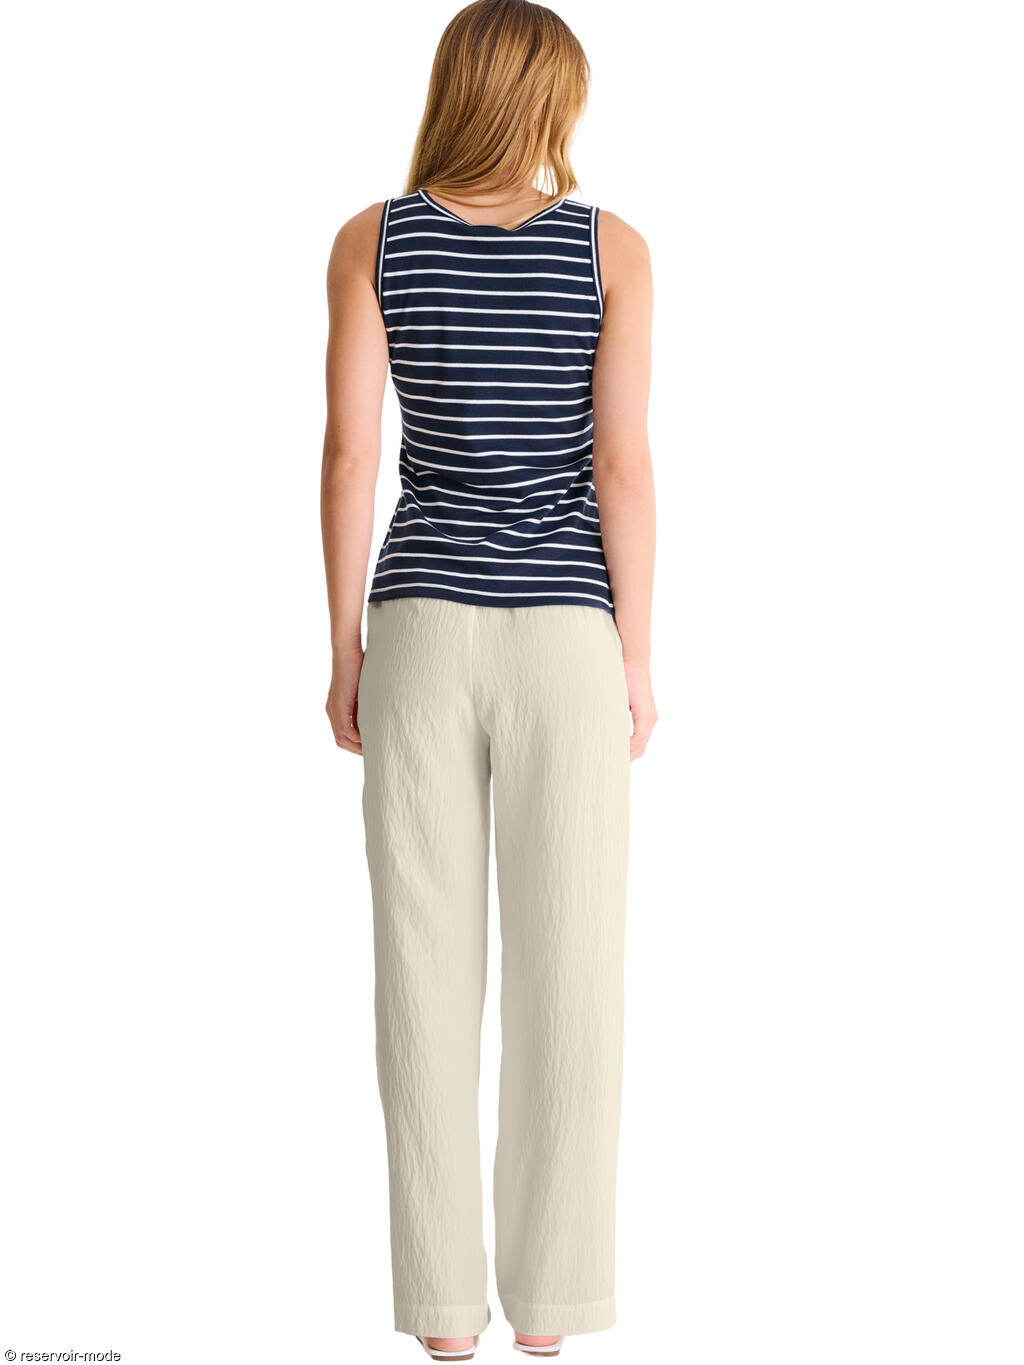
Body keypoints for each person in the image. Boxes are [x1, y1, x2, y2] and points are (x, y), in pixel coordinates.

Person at [320, 1, 656, 1357]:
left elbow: (351, 454)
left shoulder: (374, 240)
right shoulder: (610, 247)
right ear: (551, 97)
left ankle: (443, 1314)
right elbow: (621, 463)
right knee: (573, 969)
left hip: (418, 623)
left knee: (420, 965)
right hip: (568, 629)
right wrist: (638, 656)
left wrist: (342, 647)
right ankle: (553, 1307)